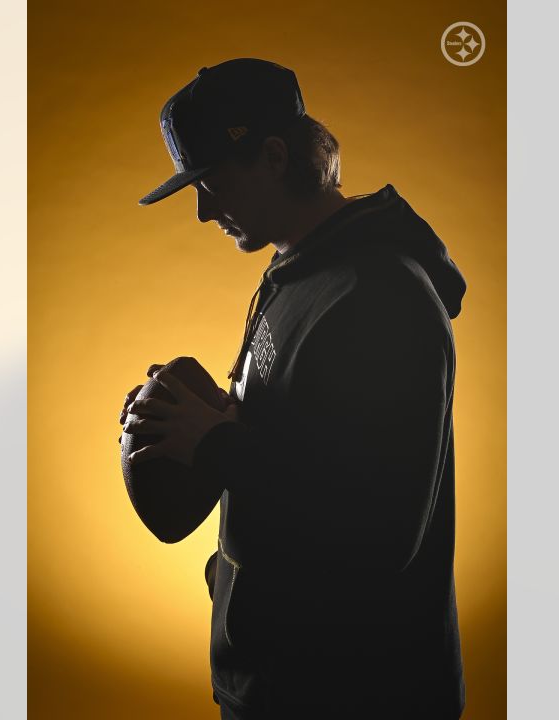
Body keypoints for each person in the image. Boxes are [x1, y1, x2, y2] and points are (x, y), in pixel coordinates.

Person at [118, 58, 467, 719]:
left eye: (211, 183)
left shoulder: (381, 296)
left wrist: (215, 443)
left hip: (359, 695)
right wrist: (186, 420)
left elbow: (382, 534)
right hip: (277, 678)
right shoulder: (295, 272)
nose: (201, 211)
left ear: (273, 157)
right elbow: (305, 443)